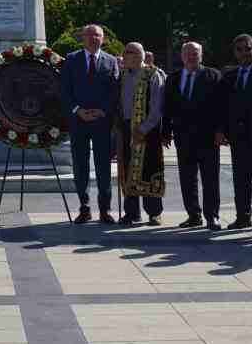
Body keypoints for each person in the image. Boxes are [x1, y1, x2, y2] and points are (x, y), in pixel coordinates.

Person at [60, 24, 119, 224]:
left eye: (98, 35)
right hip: (79, 121)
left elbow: (114, 91)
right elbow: (65, 90)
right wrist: (78, 110)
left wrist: (103, 110)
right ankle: (84, 208)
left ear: (102, 39)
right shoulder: (71, 59)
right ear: (83, 38)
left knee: (103, 166)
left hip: (103, 122)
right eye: (90, 35)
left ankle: (105, 209)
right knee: (80, 165)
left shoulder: (111, 61)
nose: (94, 38)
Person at [163, 41, 224, 229]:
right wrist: (165, 132)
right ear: (181, 56)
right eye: (188, 53)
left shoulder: (213, 76)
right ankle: (193, 214)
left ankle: (212, 215)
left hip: (208, 137)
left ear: (201, 55)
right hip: (183, 136)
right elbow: (167, 107)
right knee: (187, 178)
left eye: (195, 53)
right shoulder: (173, 78)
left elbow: (221, 107)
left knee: (210, 178)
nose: (191, 56)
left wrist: (221, 131)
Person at [221, 33, 252, 230]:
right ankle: (243, 216)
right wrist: (223, 131)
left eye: (248, 48)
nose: (244, 52)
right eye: (240, 49)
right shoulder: (230, 77)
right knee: (240, 179)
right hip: (237, 136)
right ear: (235, 52)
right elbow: (224, 107)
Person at [115, 42, 166, 226]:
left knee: (150, 170)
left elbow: (157, 107)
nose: (123, 56)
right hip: (126, 128)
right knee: (128, 170)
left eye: (127, 53)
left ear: (138, 56)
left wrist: (143, 129)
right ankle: (132, 212)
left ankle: (154, 212)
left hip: (148, 129)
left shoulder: (153, 75)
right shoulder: (122, 76)